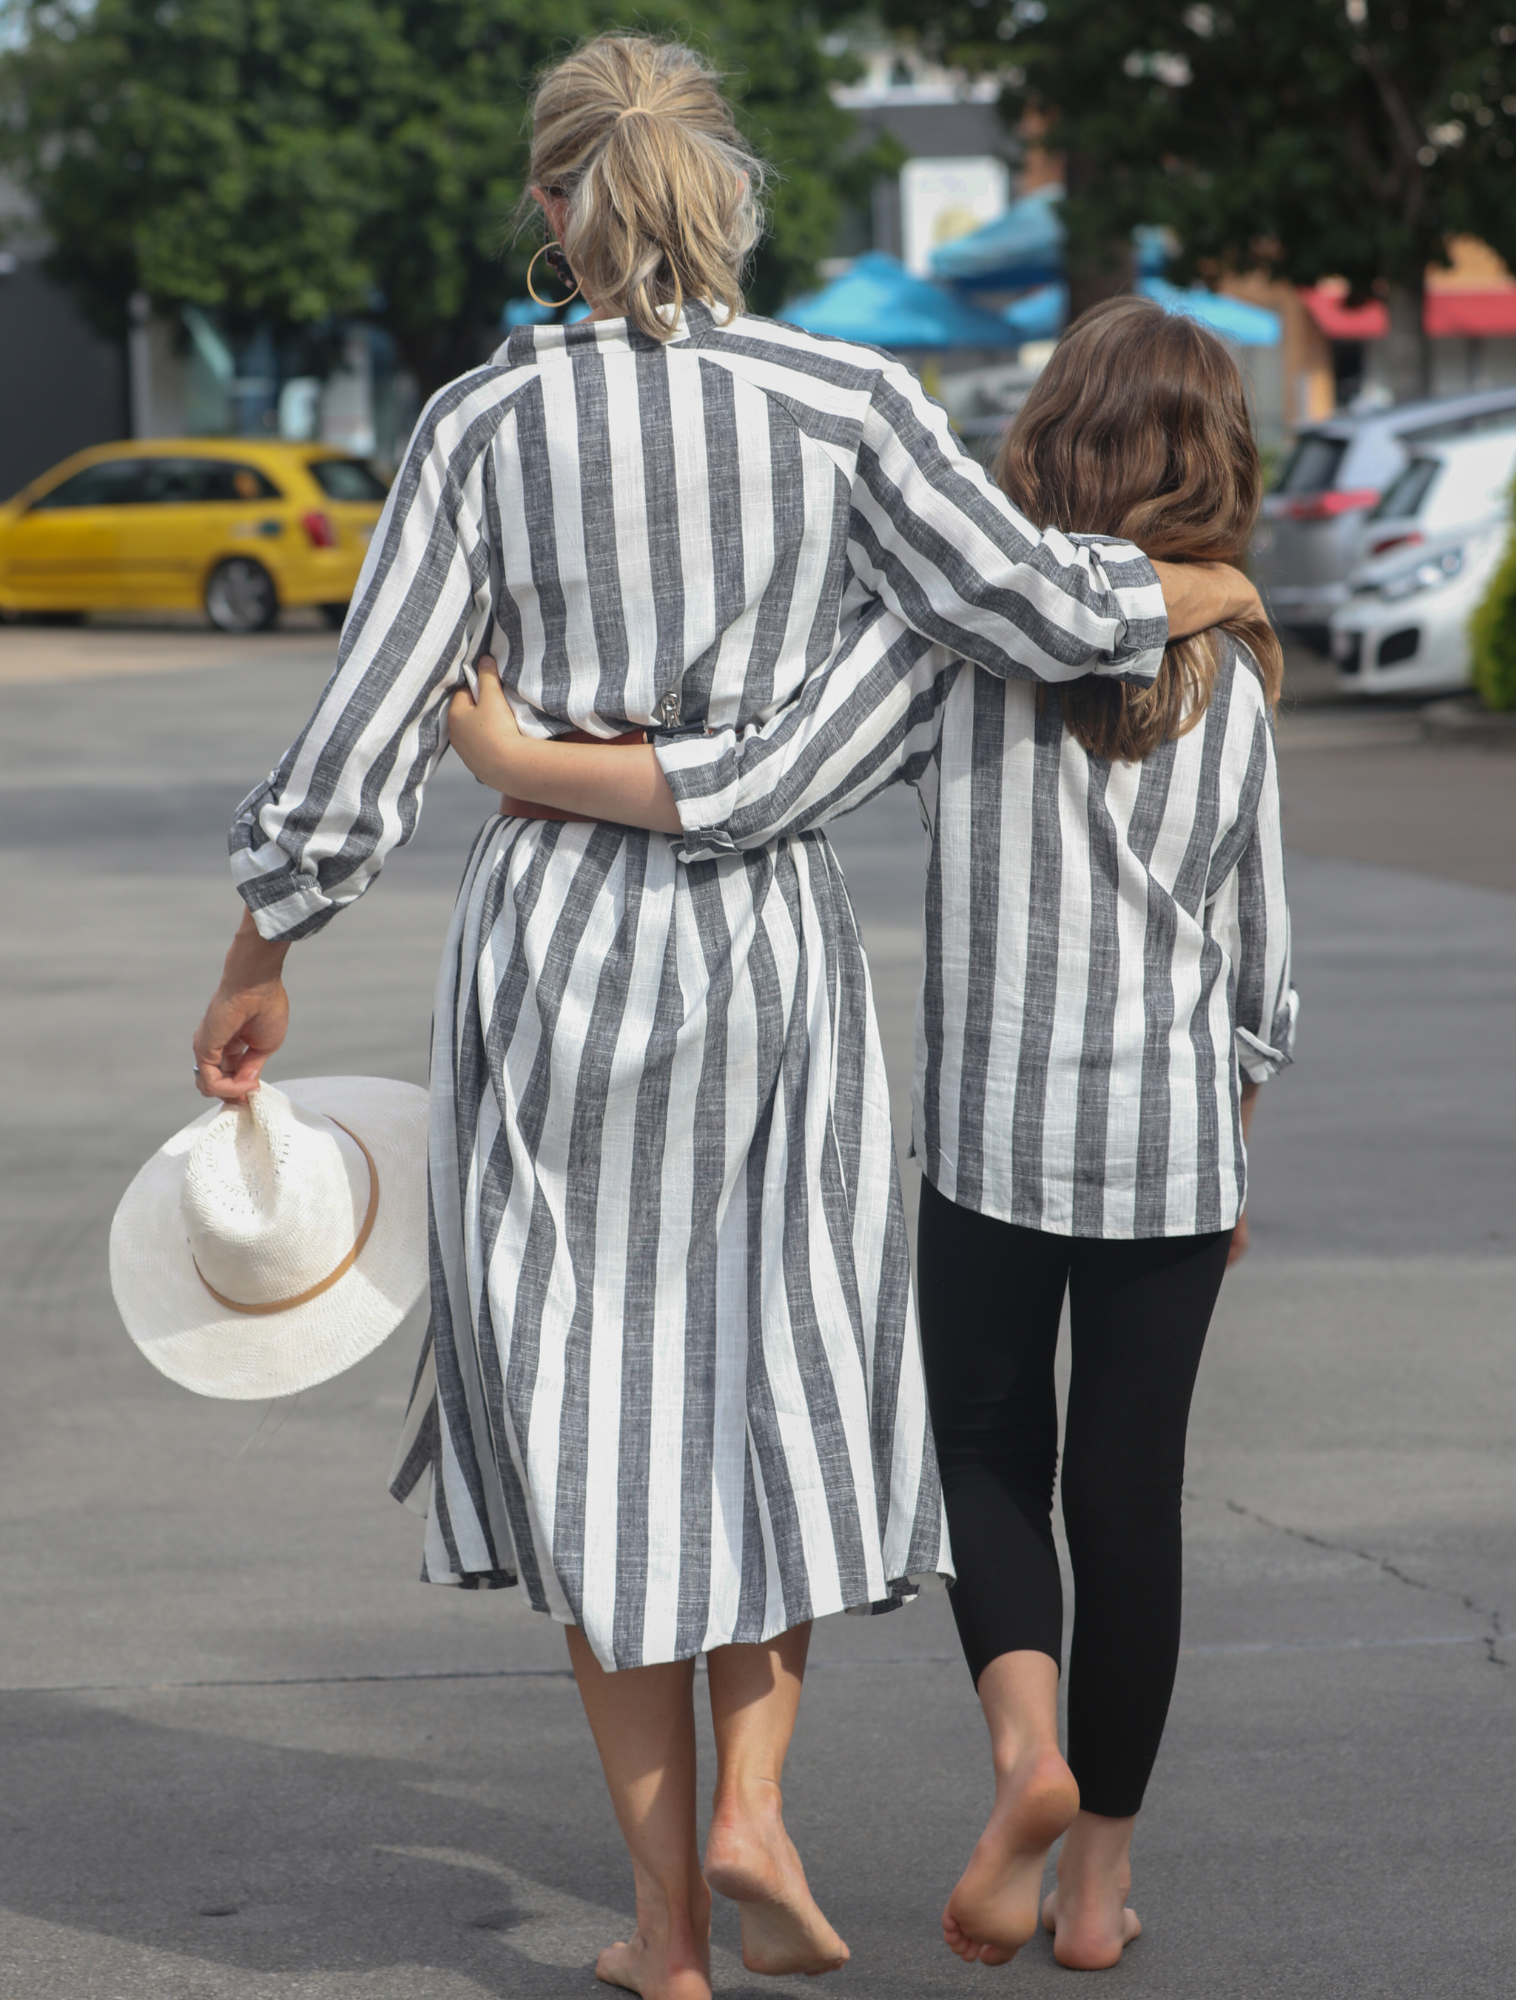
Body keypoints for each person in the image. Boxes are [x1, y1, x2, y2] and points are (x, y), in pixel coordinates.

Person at [192, 33, 1261, 1996]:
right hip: (766, 942)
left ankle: (670, 1925)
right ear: (734, 197)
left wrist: (265, 939)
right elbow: (1027, 602)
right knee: (769, 1376)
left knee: (600, 1408)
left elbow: (368, 729)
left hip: (556, 948)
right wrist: (1179, 595)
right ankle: (761, 1804)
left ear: (552, 207)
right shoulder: (843, 398)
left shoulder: (479, 425)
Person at [450, 295, 1293, 1974]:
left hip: (991, 1152)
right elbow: (1259, 972)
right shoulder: (1243, 697)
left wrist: (521, 760)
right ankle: (1100, 1886)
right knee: (1135, 1501)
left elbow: (755, 787)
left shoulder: (958, 659)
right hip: (1180, 1159)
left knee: (983, 1455)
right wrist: (1232, 1137)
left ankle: (1020, 1756)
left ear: (1049, 450)